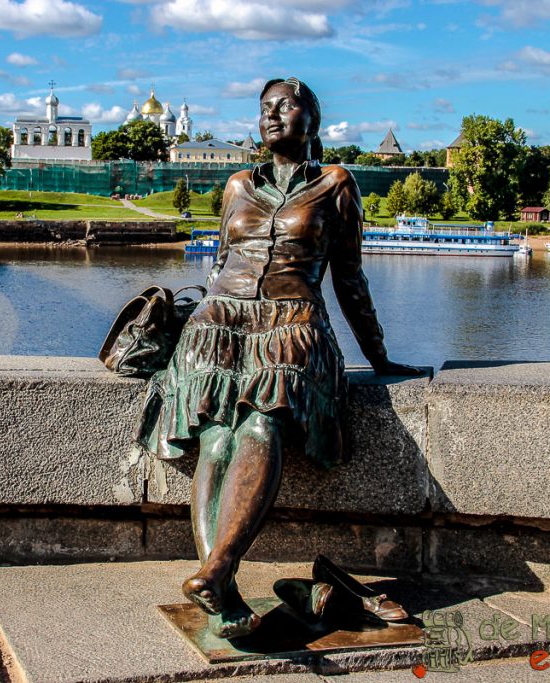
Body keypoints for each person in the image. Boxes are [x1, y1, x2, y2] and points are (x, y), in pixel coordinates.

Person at [137, 77, 419, 639]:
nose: (272, 116)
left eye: (286, 106)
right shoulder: (238, 184)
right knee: (215, 436)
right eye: (265, 108)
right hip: (219, 325)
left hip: (293, 324)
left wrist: (379, 354)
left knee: (260, 427)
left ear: (312, 120)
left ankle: (216, 571)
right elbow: (219, 264)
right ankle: (223, 585)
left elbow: (350, 278)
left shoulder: (337, 183)